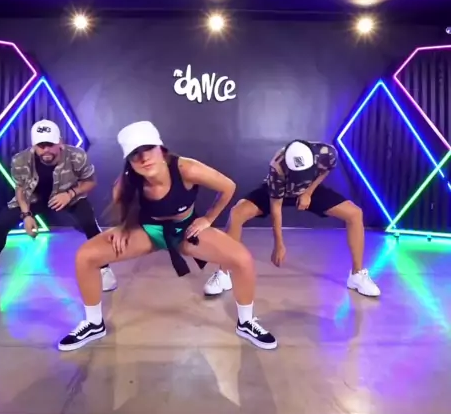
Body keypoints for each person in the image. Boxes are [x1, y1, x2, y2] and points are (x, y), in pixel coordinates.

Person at [58, 120, 277, 352]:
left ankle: (246, 322)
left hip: (185, 230)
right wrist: (122, 227)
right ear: (129, 161)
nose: (144, 158)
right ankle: (94, 324)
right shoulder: (126, 181)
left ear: (161, 149)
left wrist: (208, 219)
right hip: (147, 231)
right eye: (135, 154)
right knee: (86, 256)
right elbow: (120, 200)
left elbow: (228, 186)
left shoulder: (187, 169)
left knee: (242, 259)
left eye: (148, 149)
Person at [203, 139, 381, 298]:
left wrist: (308, 192)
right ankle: (223, 274)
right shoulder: (277, 167)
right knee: (237, 213)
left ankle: (357, 275)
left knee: (354, 213)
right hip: (278, 192)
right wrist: (279, 244)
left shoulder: (326, 153)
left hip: (308, 191)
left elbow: (326, 170)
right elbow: (276, 208)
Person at [0, 119, 117, 293]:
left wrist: (70, 194)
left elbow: (90, 182)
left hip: (68, 195)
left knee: (88, 223)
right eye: (41, 145)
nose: (46, 150)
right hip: (33, 198)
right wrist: (26, 215)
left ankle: (104, 269)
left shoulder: (77, 156)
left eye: (50, 144)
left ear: (60, 142)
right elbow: (20, 189)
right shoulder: (20, 160)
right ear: (34, 146)